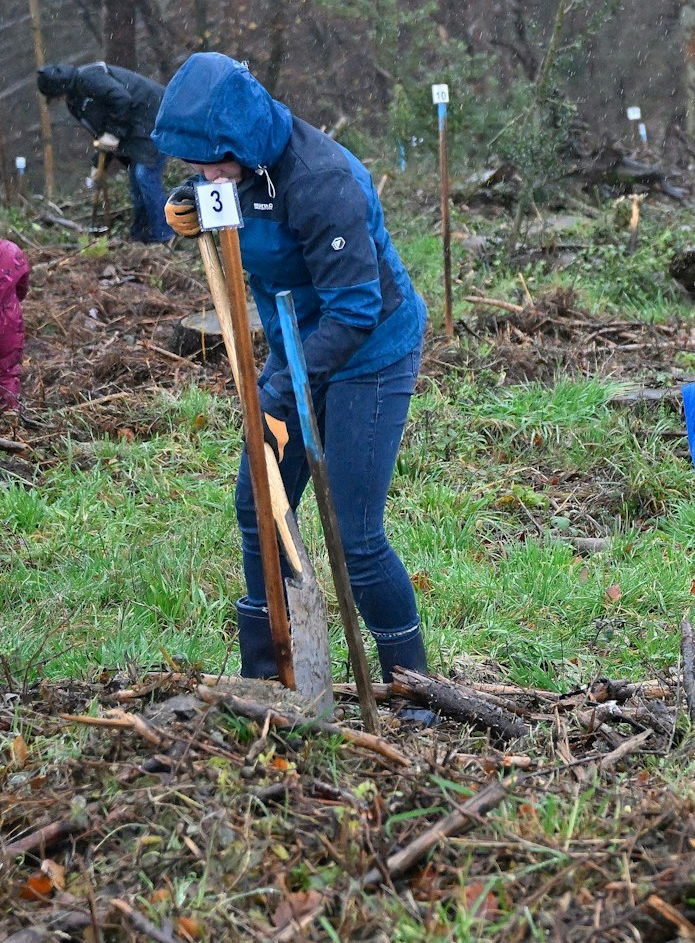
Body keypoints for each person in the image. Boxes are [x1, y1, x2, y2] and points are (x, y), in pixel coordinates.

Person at [151, 52, 432, 681]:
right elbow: (226, 198)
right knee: (260, 508)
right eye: (193, 164)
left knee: (356, 537)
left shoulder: (322, 180)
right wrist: (189, 198)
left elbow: (355, 311)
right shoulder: (235, 170)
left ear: (244, 140)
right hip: (297, 346)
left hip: (370, 354)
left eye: (210, 162)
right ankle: (273, 671)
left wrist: (277, 390)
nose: (204, 174)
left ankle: (412, 686)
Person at [35, 61, 172, 243]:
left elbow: (122, 100)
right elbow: (102, 134)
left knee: (144, 176)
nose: (58, 101)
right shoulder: (75, 103)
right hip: (136, 130)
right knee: (137, 183)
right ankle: (141, 235)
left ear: (60, 88)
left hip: (154, 118)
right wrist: (98, 166)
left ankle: (163, 234)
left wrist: (114, 133)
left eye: (55, 96)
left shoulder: (89, 78)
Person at [0, 239, 26, 411]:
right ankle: (9, 415)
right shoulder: (11, 250)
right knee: (7, 371)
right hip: (8, 319)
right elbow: (22, 287)